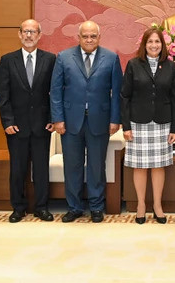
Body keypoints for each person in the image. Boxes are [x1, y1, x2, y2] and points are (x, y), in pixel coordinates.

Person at [50, 20, 122, 223]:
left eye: (93, 36)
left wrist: (115, 119)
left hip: (100, 120)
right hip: (71, 122)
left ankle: (96, 207)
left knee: (96, 166)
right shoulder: (64, 57)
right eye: (85, 36)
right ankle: (74, 207)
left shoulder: (111, 58)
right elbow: (55, 91)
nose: (89, 39)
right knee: (72, 165)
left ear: (99, 37)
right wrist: (58, 119)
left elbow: (117, 92)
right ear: (78, 37)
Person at [0, 19, 56, 223]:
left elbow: (54, 93)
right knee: (17, 169)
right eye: (25, 31)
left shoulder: (50, 59)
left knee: (41, 169)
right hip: (16, 125)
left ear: (40, 35)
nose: (29, 35)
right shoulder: (7, 60)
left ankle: (41, 207)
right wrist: (7, 121)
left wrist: (52, 119)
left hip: (42, 125)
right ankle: (18, 208)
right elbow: (3, 94)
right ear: (19, 34)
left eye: (33, 32)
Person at [120, 27, 175, 224]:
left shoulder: (170, 66)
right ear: (144, 45)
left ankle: (157, 205)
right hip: (138, 122)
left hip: (163, 123)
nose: (154, 45)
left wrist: (174, 129)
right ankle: (140, 205)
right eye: (150, 42)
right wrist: (126, 126)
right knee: (140, 166)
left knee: (158, 166)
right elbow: (125, 96)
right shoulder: (134, 65)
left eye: (157, 42)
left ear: (162, 45)